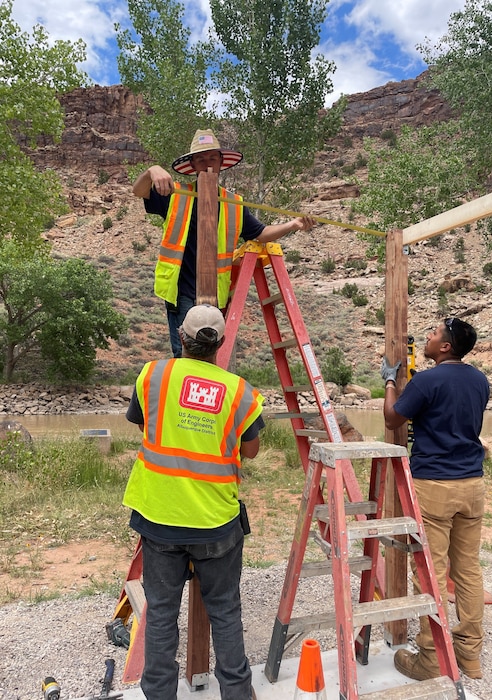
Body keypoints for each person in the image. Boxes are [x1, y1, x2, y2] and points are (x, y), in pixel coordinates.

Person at [123, 304, 265, 700]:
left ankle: (159, 694)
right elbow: (250, 450)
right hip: (216, 523)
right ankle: (238, 693)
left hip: (160, 518)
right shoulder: (239, 391)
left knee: (162, 614)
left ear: (181, 338)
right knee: (225, 612)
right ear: (219, 344)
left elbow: (142, 422)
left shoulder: (152, 376)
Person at [133, 128, 316, 357]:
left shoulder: (233, 203)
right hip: (181, 292)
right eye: (200, 159)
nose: (207, 163)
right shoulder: (176, 195)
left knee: (210, 357)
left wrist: (293, 225)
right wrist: (152, 171)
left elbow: (260, 233)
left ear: (221, 162)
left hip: (215, 296)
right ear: (192, 165)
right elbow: (138, 191)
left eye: (212, 157)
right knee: (184, 354)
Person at [381, 317, 490, 682]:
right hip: (472, 484)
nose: (427, 337)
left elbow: (393, 419)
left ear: (446, 347)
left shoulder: (428, 381)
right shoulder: (479, 380)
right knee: (469, 570)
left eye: (433, 334)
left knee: (430, 571)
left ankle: (430, 657)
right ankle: (469, 654)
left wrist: (390, 382)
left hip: (435, 486)